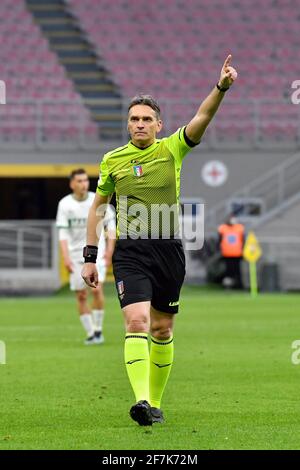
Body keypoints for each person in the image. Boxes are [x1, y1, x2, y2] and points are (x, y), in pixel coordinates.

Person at [82, 55, 238, 425]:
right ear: (128, 124)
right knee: (136, 321)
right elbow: (97, 207)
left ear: (158, 125)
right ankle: (140, 401)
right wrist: (90, 256)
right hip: (130, 250)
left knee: (162, 327)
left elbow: (202, 118)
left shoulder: (173, 149)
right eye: (134, 119)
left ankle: (154, 402)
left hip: (168, 249)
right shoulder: (112, 161)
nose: (139, 124)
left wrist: (221, 88)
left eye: (146, 119)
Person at [56, 168, 116, 345]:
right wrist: (65, 257)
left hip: (96, 253)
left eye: (85, 180)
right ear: (72, 184)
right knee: (81, 295)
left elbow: (110, 226)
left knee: (97, 290)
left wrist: (109, 251)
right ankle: (90, 333)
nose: (84, 184)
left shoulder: (97, 200)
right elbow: (63, 234)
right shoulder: (65, 204)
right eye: (79, 181)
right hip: (75, 256)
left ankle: (98, 330)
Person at [218, 214, 245, 289]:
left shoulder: (239, 228)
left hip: (237, 253)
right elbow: (219, 240)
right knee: (228, 272)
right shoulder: (223, 228)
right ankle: (228, 286)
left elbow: (243, 240)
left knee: (237, 271)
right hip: (227, 253)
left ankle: (239, 285)